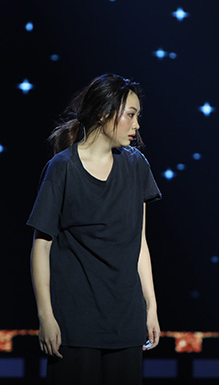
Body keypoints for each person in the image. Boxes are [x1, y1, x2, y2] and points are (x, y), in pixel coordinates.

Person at [27, 73, 162, 385]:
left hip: (126, 321)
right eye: (130, 115)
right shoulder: (62, 168)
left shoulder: (136, 166)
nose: (136, 125)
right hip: (75, 324)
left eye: (137, 116)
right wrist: (46, 316)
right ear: (104, 114)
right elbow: (41, 245)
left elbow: (139, 243)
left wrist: (151, 307)